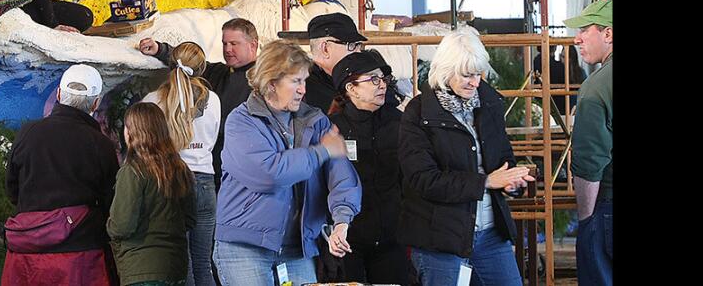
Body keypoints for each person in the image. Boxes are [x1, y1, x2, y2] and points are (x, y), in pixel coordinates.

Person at [214, 40, 361, 286]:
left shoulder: (316, 120)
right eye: (295, 81)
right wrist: (320, 152)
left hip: (298, 250)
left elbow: (342, 175)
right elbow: (270, 174)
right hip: (244, 248)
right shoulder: (242, 122)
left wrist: (342, 221)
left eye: (304, 80)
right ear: (272, 82)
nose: (303, 89)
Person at [397, 28, 535, 286]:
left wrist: (511, 182)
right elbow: (423, 179)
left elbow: (504, 157)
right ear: (445, 70)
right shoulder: (417, 114)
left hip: (491, 234)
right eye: (466, 75)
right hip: (439, 239)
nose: (474, 82)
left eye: (478, 74)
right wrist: (485, 182)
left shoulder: (489, 103)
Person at [2, 64, 120, 284]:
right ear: (96, 103)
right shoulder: (101, 145)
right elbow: (110, 202)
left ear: (58, 94)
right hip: (79, 254)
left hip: (26, 251)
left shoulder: (28, 132)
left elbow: (12, 189)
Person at [319, 49, 409, 284]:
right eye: (373, 80)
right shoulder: (332, 128)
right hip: (346, 241)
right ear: (351, 88)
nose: (382, 86)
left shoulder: (401, 124)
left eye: (384, 79)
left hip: (392, 239)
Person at [138, 17, 259, 188]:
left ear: (253, 45)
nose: (227, 49)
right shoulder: (218, 72)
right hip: (208, 168)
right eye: (224, 43)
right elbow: (187, 63)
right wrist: (160, 50)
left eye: (234, 43)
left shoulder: (264, 81)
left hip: (238, 171)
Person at [140, 41, 219, 286]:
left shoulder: (153, 100)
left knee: (180, 265)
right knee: (203, 262)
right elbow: (213, 140)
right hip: (205, 181)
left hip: (171, 181)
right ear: (202, 68)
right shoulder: (213, 100)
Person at [108, 101, 196, 286]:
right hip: (176, 267)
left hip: (141, 268)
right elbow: (190, 219)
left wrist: (108, 225)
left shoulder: (133, 171)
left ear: (131, 132)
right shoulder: (181, 169)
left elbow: (122, 225)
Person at [565, 0, 612, 286]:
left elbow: (589, 164)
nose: (576, 38)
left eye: (585, 29)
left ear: (608, 34)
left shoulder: (596, 88)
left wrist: (585, 220)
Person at [303, 7, 400, 113]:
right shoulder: (305, 86)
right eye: (352, 45)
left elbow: (391, 103)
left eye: (359, 45)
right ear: (325, 48)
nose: (358, 52)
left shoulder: (365, 70)